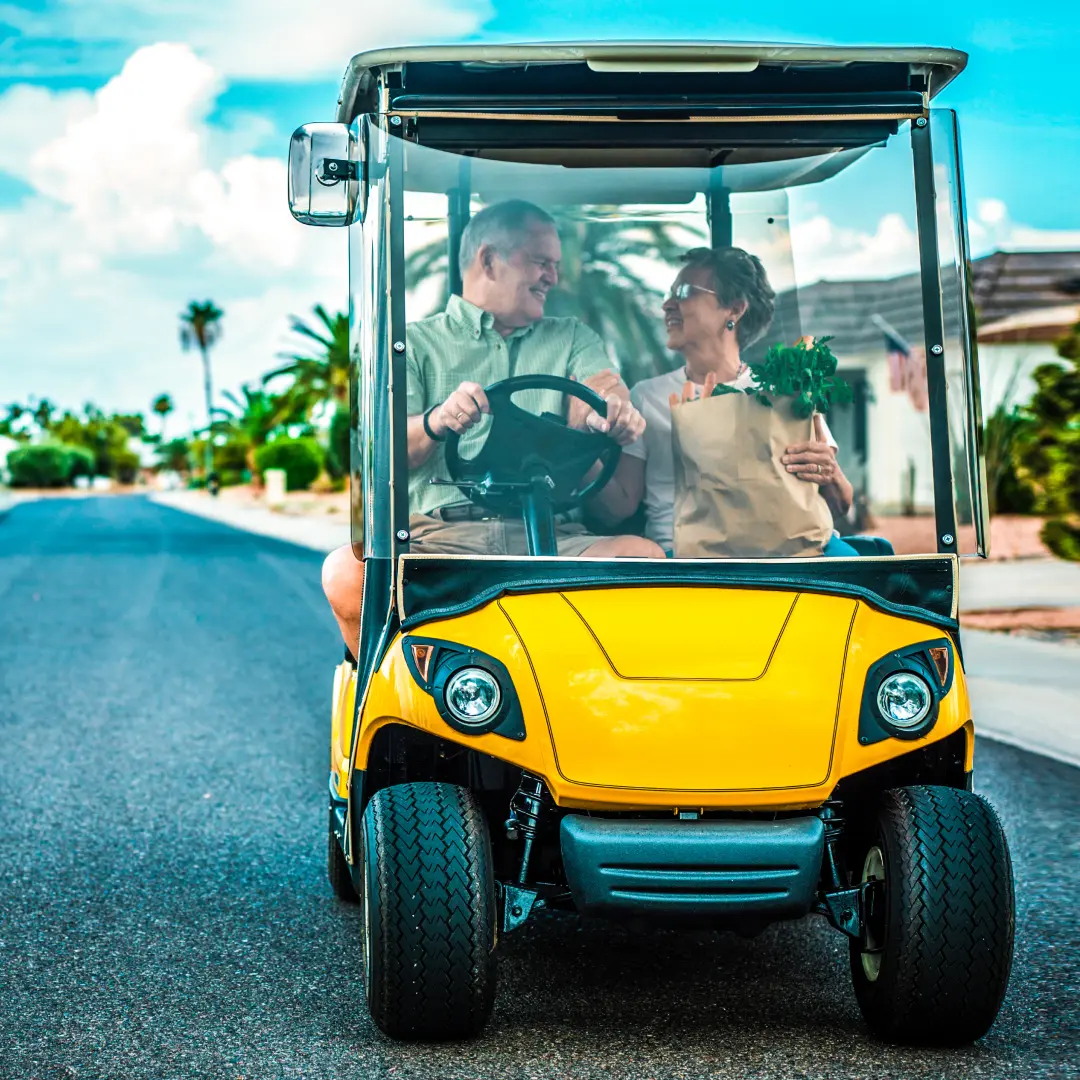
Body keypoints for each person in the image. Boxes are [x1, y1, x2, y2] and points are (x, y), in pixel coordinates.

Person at [323, 200, 661, 653]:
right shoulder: (414, 343)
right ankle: (408, 691)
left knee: (644, 558)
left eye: (556, 266)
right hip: (440, 539)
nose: (553, 278)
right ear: (488, 260)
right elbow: (383, 452)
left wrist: (610, 409)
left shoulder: (572, 337)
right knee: (347, 574)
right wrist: (438, 420)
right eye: (542, 263)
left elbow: (599, 387)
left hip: (551, 532)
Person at [589, 246, 856, 556]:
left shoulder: (783, 390)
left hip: (788, 552)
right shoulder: (648, 396)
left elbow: (841, 504)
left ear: (735, 309)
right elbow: (620, 504)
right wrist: (577, 445)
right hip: (688, 559)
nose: (667, 305)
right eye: (669, 293)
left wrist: (830, 471)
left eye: (685, 292)